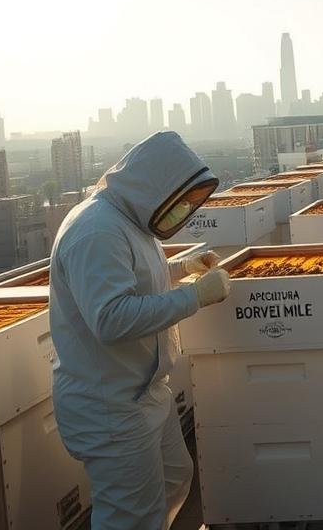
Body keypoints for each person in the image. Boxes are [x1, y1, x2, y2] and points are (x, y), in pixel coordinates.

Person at [49, 131, 231, 530]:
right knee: (129, 519)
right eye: (178, 198)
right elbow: (111, 318)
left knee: (173, 478)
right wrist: (194, 297)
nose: (181, 209)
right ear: (154, 185)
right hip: (110, 407)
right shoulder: (96, 230)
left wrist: (184, 269)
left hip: (142, 391)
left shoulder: (123, 219)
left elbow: (133, 277)